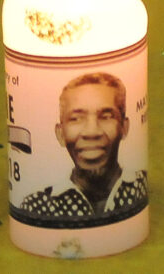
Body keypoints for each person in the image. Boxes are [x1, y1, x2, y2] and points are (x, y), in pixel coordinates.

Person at [18, 72, 147, 223]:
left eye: (106, 117)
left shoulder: (142, 187)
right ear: (60, 134)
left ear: (124, 127)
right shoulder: (37, 206)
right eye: (76, 119)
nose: (92, 132)